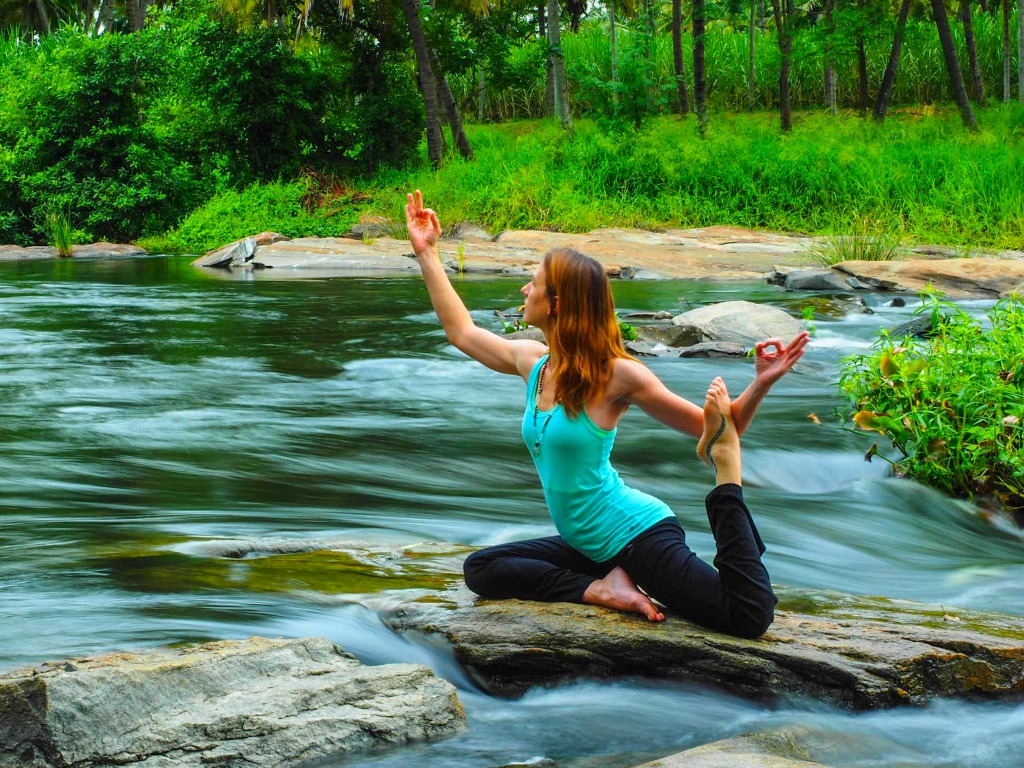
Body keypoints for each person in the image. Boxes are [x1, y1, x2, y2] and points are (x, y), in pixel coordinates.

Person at [404, 190, 808, 639]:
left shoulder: (616, 375)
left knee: (746, 617)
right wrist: (427, 252)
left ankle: (615, 578)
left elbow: (714, 429)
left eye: (533, 283)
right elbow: (461, 332)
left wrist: (760, 383)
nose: (524, 290)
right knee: (483, 568)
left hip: (636, 534)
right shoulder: (534, 363)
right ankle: (600, 588)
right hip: (590, 546)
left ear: (557, 304)